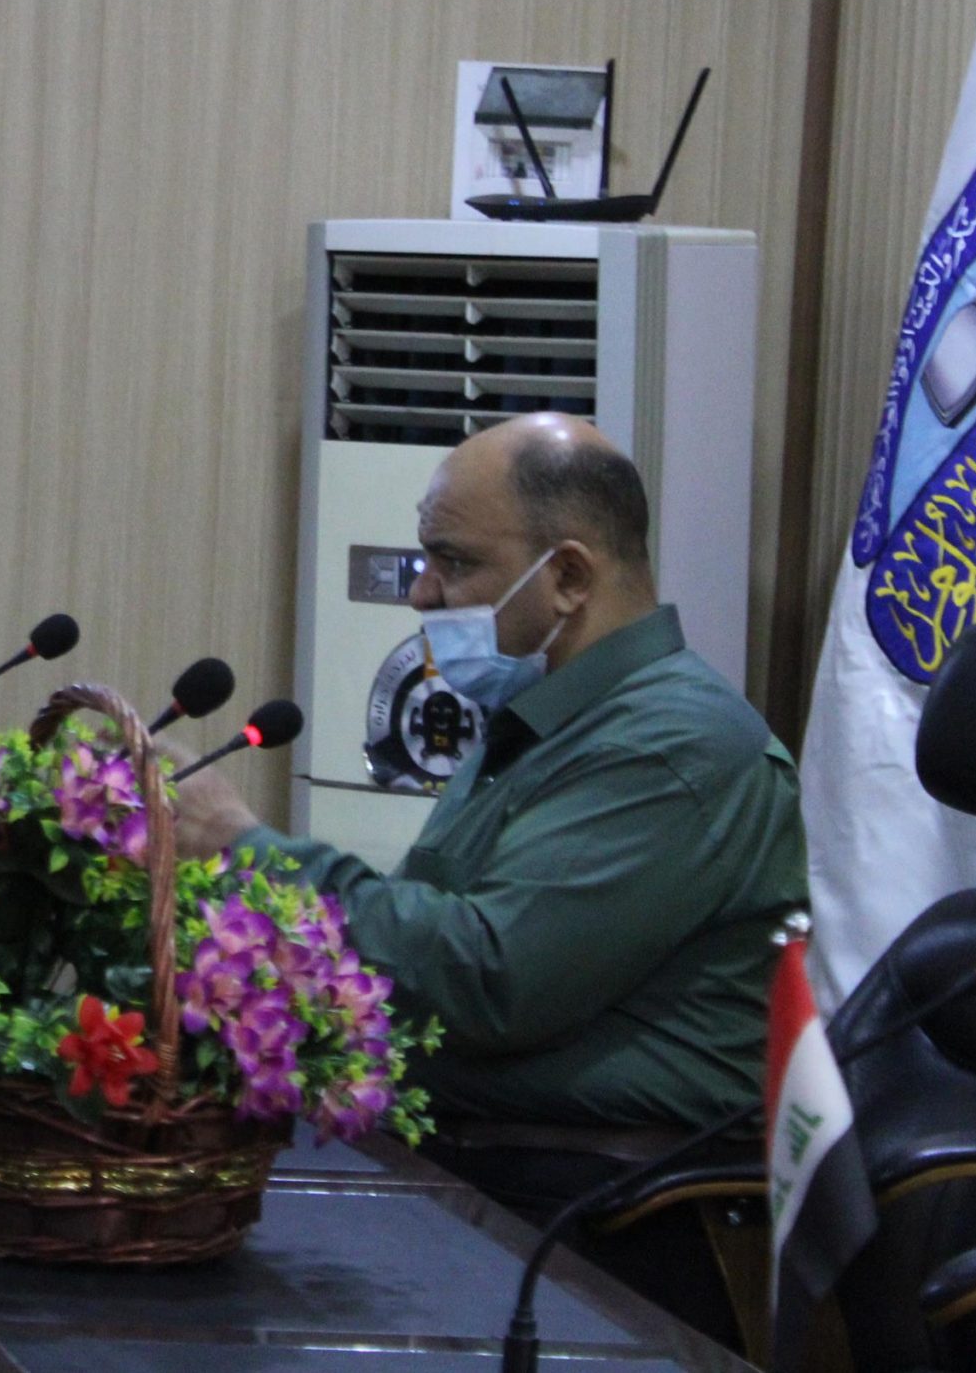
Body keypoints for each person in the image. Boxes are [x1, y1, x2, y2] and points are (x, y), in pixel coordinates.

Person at [175, 412, 807, 1132]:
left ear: (568, 577)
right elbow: (425, 938)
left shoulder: (675, 743)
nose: (421, 593)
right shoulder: (548, 714)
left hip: (586, 1178)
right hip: (483, 1151)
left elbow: (486, 981)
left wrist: (244, 849)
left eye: (453, 561)